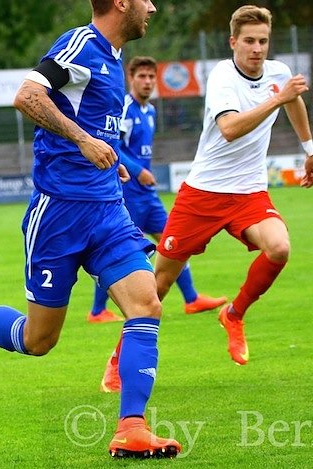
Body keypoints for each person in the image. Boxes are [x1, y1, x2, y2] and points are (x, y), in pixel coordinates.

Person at [0, 0, 181, 459]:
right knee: (39, 341)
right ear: (120, 1)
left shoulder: (113, 61)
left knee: (146, 302)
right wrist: (84, 141)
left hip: (106, 211)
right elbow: (27, 95)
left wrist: (111, 162)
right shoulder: (81, 44)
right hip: (58, 215)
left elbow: (93, 125)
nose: (153, 7)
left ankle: (131, 426)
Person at [101, 5, 313, 379]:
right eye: (249, 41)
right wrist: (278, 100)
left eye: (263, 41)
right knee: (158, 286)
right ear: (233, 42)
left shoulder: (278, 73)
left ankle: (233, 315)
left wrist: (309, 150)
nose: (257, 49)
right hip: (202, 194)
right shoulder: (222, 76)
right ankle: (119, 358)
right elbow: (231, 128)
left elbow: (293, 99)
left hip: (249, 193)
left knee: (280, 248)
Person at [87, 56, 227, 324]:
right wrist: (138, 171)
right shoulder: (125, 109)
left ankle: (191, 299)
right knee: (118, 248)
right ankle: (97, 311)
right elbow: (112, 146)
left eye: (152, 77)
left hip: (147, 195)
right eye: (142, 76)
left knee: (175, 241)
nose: (148, 82)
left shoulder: (150, 111)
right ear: (131, 78)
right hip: (128, 191)